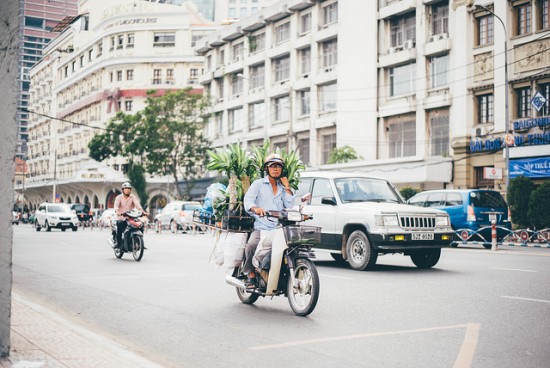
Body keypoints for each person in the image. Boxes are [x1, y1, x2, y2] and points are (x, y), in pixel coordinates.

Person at [242, 154, 295, 289]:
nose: (276, 169)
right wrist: (255, 208)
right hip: (262, 226)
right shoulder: (258, 184)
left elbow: (289, 205)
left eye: (278, 166)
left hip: (279, 228)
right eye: (272, 166)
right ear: (267, 169)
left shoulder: (284, 187)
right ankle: (250, 274)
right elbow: (248, 201)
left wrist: (288, 187)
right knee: (251, 245)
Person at [113, 182, 147, 248]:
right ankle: (118, 243)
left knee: (140, 225)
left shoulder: (132, 197)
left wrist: (143, 212)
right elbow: (116, 206)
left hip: (131, 218)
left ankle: (140, 242)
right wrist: (117, 211)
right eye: (126, 189)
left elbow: (138, 206)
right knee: (119, 225)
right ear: (122, 190)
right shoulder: (119, 197)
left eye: (129, 189)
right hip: (121, 217)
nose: (127, 190)